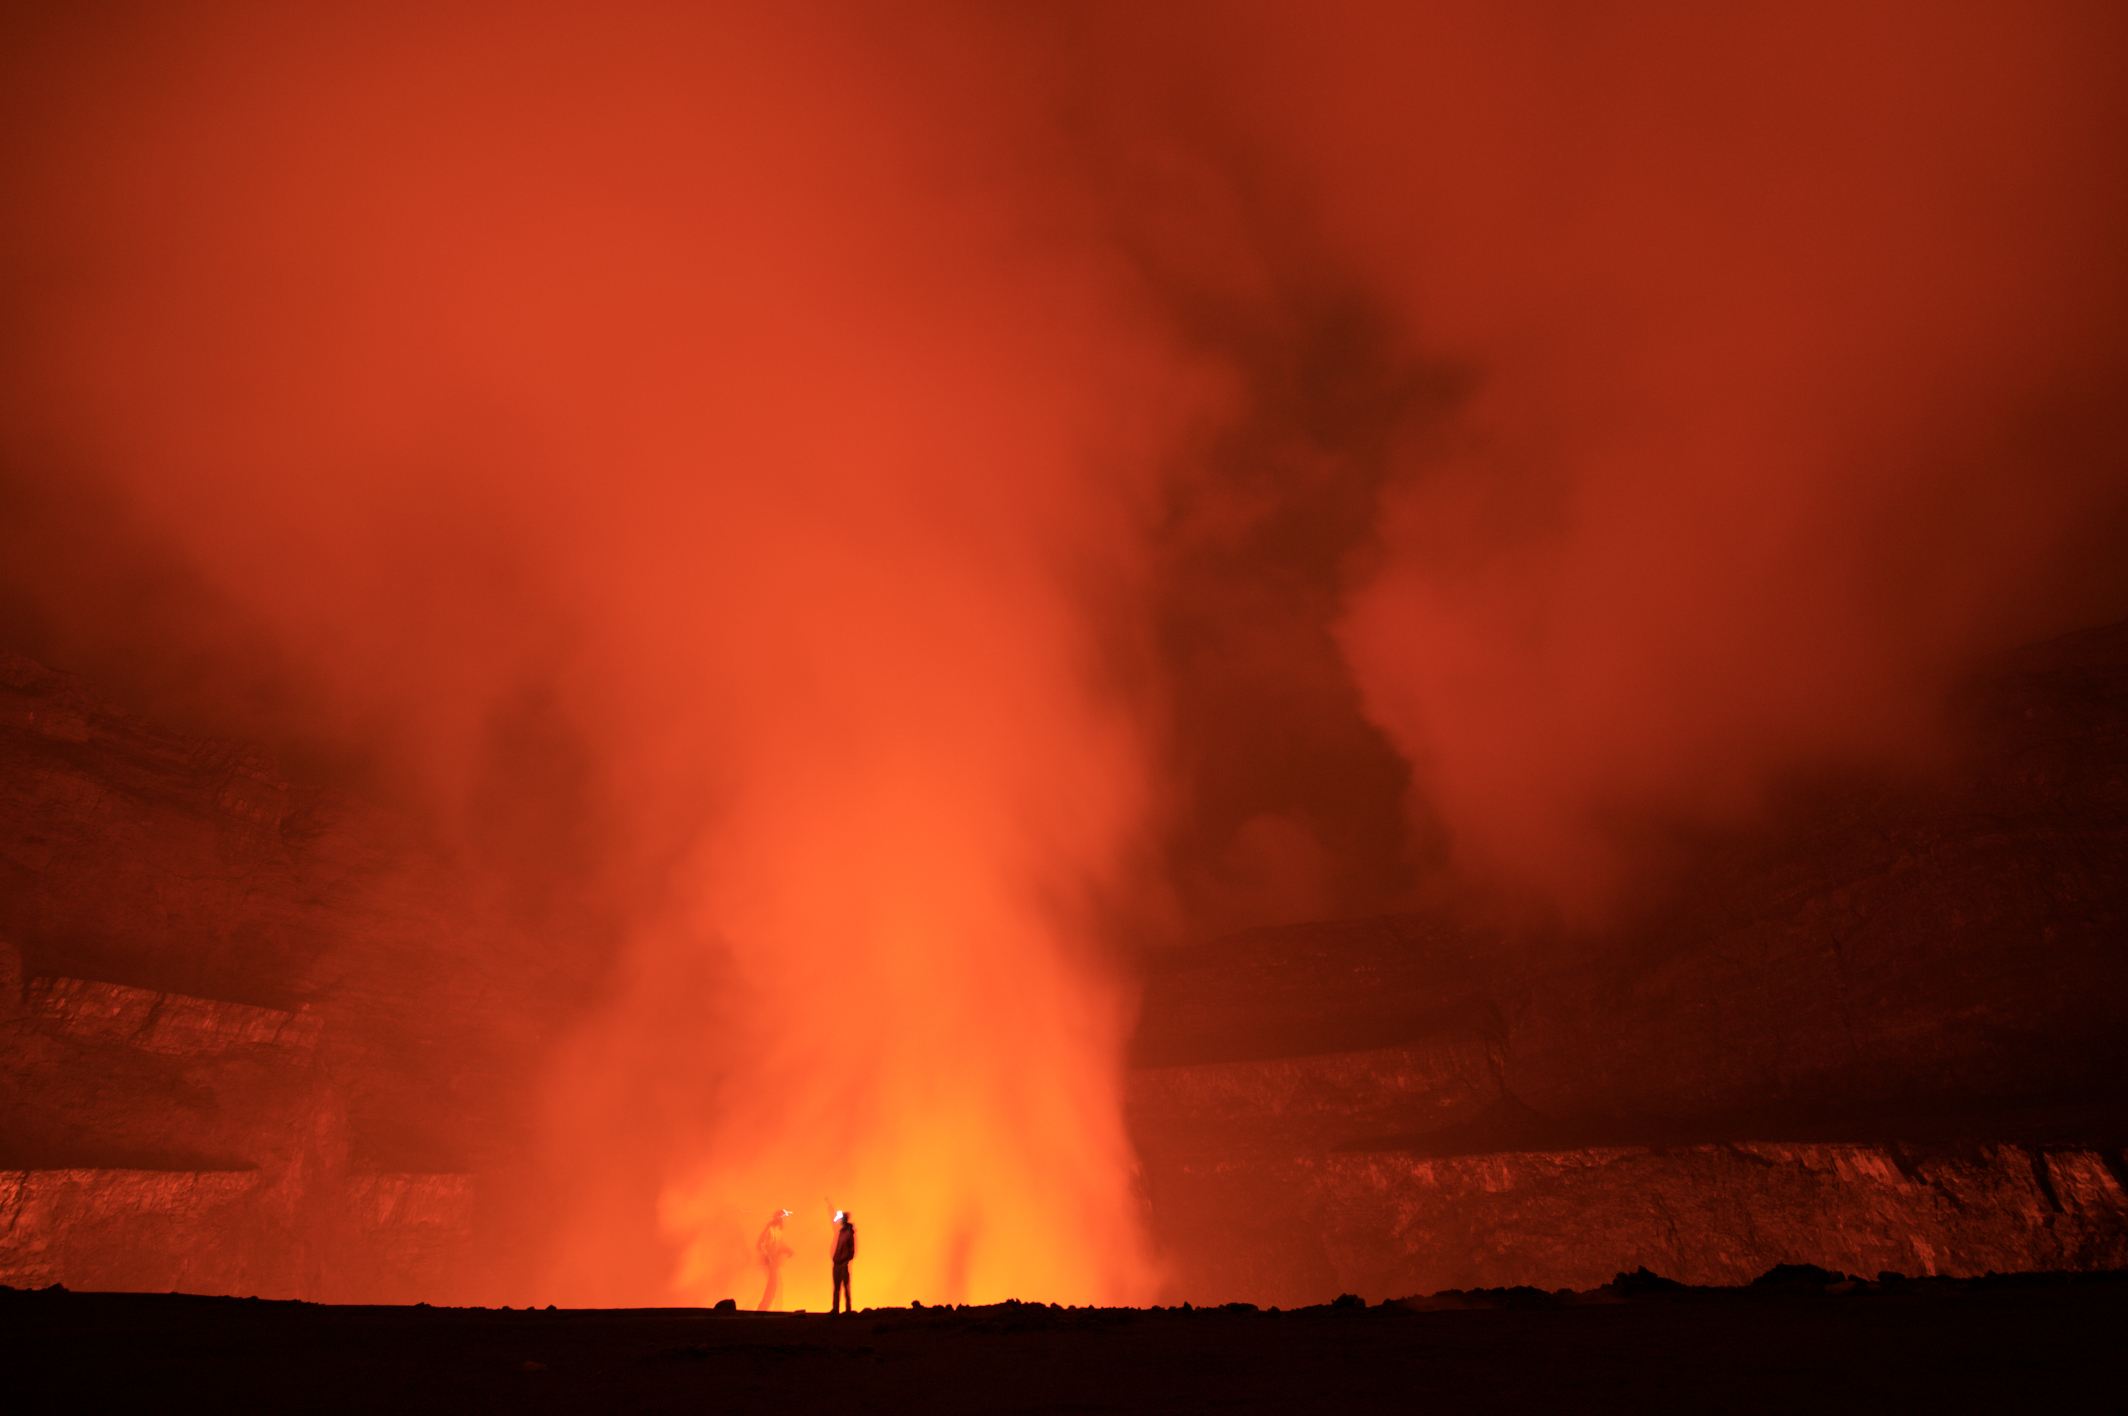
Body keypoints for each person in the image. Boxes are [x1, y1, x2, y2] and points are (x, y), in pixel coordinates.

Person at [755, 1209, 793, 1311]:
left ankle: (774, 1309)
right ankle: (762, 1310)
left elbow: (779, 1245)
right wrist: (766, 1255)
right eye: (784, 1218)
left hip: (774, 1264)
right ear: (780, 1219)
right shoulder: (770, 1229)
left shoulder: (779, 1231)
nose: (786, 1221)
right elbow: (759, 1244)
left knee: (778, 1286)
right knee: (773, 1286)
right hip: (769, 1264)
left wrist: (787, 1250)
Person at [830, 1209, 857, 1314]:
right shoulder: (841, 1232)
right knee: (837, 1287)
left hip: (842, 1263)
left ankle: (848, 1309)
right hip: (837, 1262)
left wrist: (846, 1261)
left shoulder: (849, 1233)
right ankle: (836, 1309)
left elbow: (851, 1249)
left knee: (845, 1286)